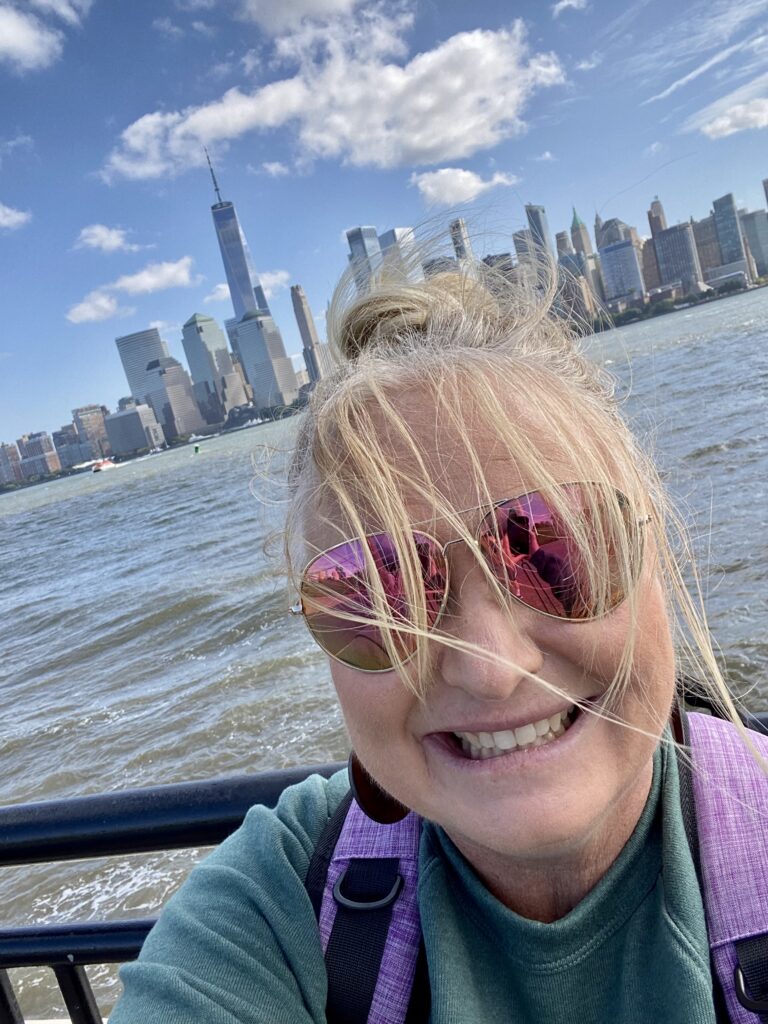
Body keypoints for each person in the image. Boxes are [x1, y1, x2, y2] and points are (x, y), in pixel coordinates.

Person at [109, 255, 765, 1024]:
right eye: (382, 593)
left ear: (655, 555)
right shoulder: (278, 902)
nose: (492, 668)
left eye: (558, 550)